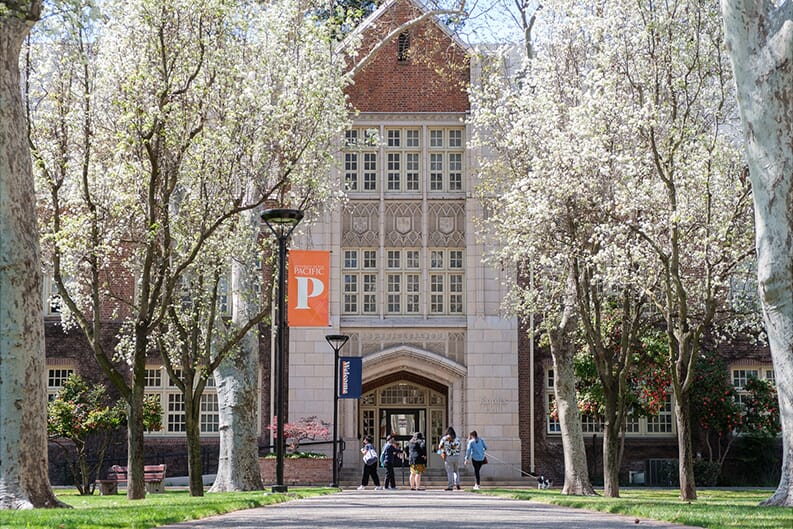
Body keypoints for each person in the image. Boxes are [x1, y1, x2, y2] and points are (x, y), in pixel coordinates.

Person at [438, 426, 462, 490]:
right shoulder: (457, 439)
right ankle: (457, 483)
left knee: (450, 472)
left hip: (448, 456)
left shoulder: (445, 438)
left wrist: (443, 451)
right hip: (456, 456)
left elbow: (440, 446)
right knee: (456, 471)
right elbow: (460, 447)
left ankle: (450, 486)